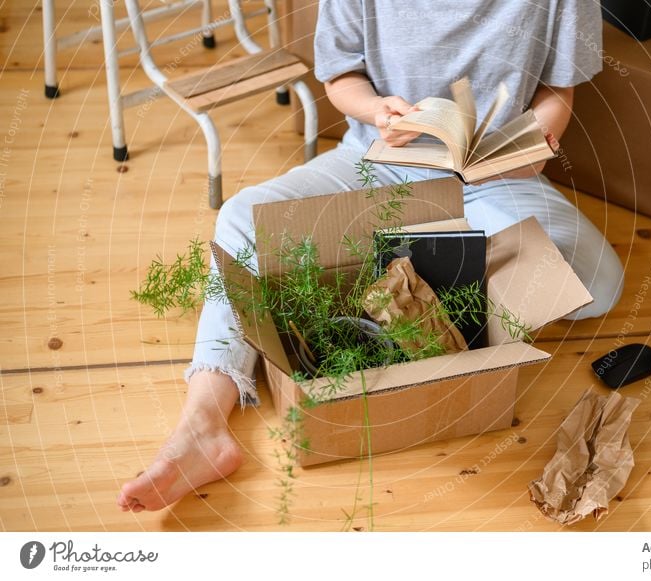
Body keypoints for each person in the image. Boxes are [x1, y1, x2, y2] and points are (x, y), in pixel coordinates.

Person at [117, 0, 623, 512]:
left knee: (595, 283)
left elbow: (558, 91)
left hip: (490, 179)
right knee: (242, 218)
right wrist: (378, 111)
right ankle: (203, 423)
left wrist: (533, 143)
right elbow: (341, 77)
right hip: (376, 162)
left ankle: (401, 270)